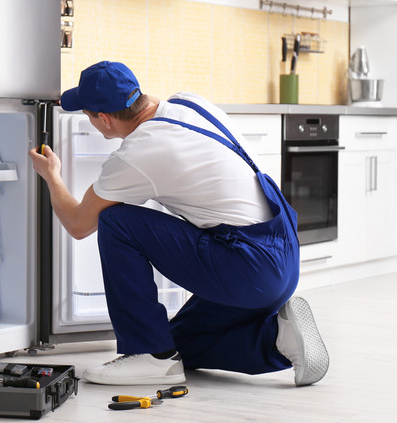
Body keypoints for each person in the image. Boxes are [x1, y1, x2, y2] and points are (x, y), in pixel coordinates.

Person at [28, 61, 329, 387]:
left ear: (104, 119)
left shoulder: (138, 153)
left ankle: (148, 354)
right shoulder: (189, 103)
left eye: (89, 115)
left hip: (248, 267)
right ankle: (278, 341)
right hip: (281, 255)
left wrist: (52, 176)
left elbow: (78, 224)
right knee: (177, 344)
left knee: (116, 221)